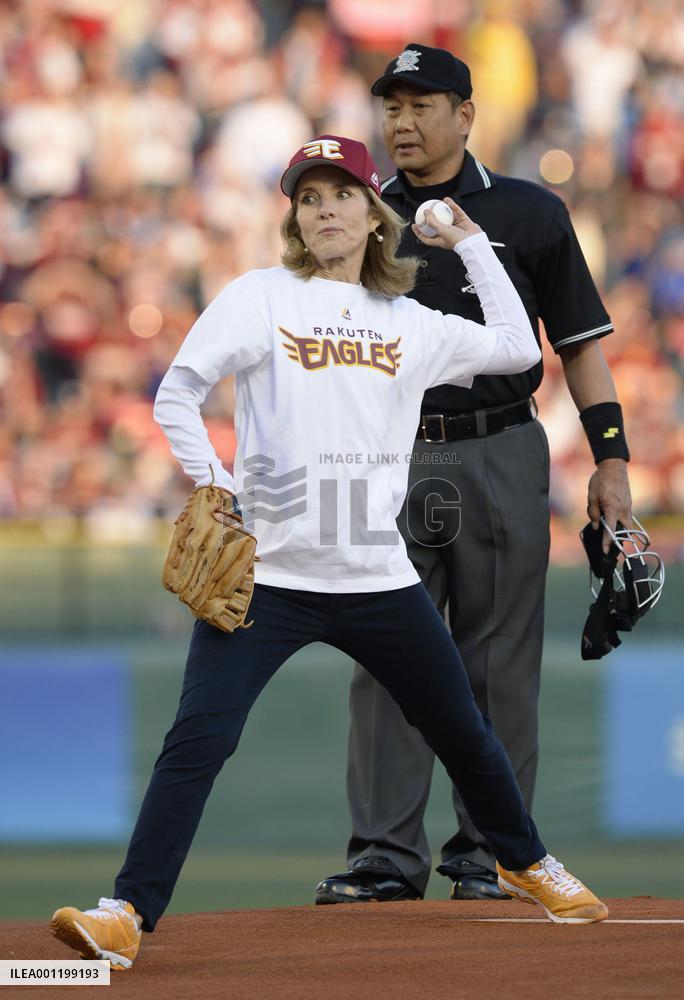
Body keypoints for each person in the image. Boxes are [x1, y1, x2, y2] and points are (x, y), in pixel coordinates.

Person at [49, 134, 608, 972]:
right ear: (295, 219)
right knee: (199, 738)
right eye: (309, 198)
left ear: (374, 214)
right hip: (269, 576)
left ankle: (523, 859)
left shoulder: (408, 321)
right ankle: (126, 910)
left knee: (462, 729)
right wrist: (216, 484)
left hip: (376, 576)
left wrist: (469, 245)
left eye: (342, 194)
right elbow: (178, 392)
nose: (325, 210)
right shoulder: (260, 297)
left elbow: (519, 350)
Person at [315, 44, 633, 907]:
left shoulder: (527, 210)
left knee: (499, 656)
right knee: (384, 652)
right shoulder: (354, 214)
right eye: (392, 106)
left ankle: (491, 853)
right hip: (385, 449)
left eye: (422, 104)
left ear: (466, 114)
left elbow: (580, 349)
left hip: (500, 442)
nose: (402, 121)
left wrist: (611, 461)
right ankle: (384, 858)